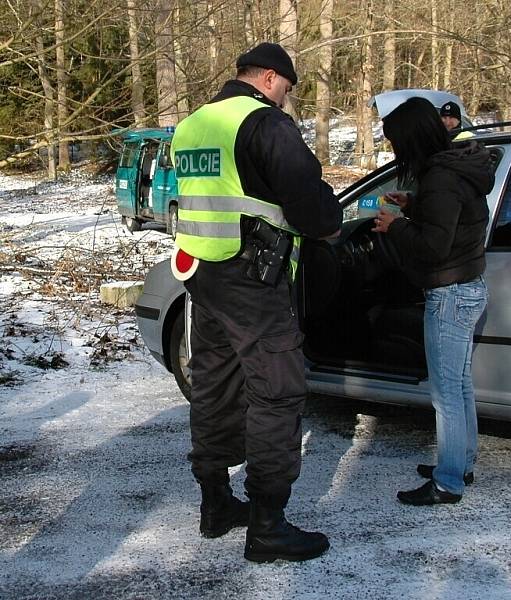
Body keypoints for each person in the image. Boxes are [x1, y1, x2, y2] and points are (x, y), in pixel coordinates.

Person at [170, 42, 342, 562]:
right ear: (269, 78)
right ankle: (268, 524)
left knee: (214, 385)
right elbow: (311, 207)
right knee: (276, 391)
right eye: (286, 89)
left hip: (204, 273)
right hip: (253, 277)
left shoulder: (193, 123)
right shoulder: (264, 123)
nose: (286, 99)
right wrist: (331, 221)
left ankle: (215, 503)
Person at [372, 97, 493, 505]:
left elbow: (434, 246)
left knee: (446, 395)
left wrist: (398, 225)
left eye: (395, 143)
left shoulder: (440, 178)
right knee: (460, 386)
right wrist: (416, 206)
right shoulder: (458, 166)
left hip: (450, 292)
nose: (394, 151)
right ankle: (460, 463)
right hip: (469, 286)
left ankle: (447, 483)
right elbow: (455, 222)